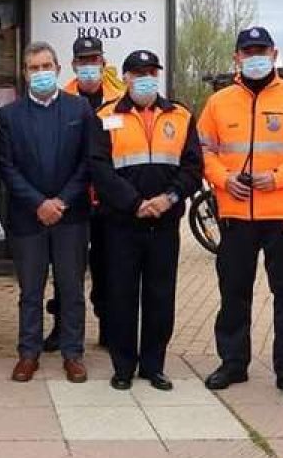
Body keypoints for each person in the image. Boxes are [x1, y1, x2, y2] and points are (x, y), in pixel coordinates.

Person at [197, 26, 283, 403]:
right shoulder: (219, 102)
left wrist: (277, 178)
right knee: (233, 293)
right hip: (235, 215)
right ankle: (233, 363)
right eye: (248, 52)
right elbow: (201, 151)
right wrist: (224, 179)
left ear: (275, 54)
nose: (255, 57)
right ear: (236, 57)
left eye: (262, 51)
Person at [88, 50, 202, 391]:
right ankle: (123, 367)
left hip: (164, 224)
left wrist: (169, 198)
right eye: (139, 73)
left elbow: (193, 167)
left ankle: (154, 366)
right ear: (125, 78)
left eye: (151, 72)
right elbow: (99, 169)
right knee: (121, 297)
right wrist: (134, 203)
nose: (146, 79)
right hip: (121, 225)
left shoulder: (181, 115)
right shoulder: (105, 116)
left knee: (160, 297)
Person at [0, 41, 95, 384]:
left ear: (57, 69)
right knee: (30, 291)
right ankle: (28, 353)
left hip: (71, 217)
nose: (41, 73)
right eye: (34, 68)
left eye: (46, 66)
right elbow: (6, 167)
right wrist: (38, 203)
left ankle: (73, 354)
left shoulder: (79, 109)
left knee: (71, 289)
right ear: (25, 74)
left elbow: (88, 162)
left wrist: (61, 202)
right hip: (28, 217)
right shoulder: (9, 115)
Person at [45, 36, 126, 351]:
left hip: (109, 200)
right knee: (66, 269)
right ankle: (61, 326)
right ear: (73, 65)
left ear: (103, 63)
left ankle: (109, 327)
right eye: (83, 61)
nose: (89, 66)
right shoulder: (62, 97)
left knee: (109, 267)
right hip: (73, 198)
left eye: (94, 60)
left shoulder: (120, 99)